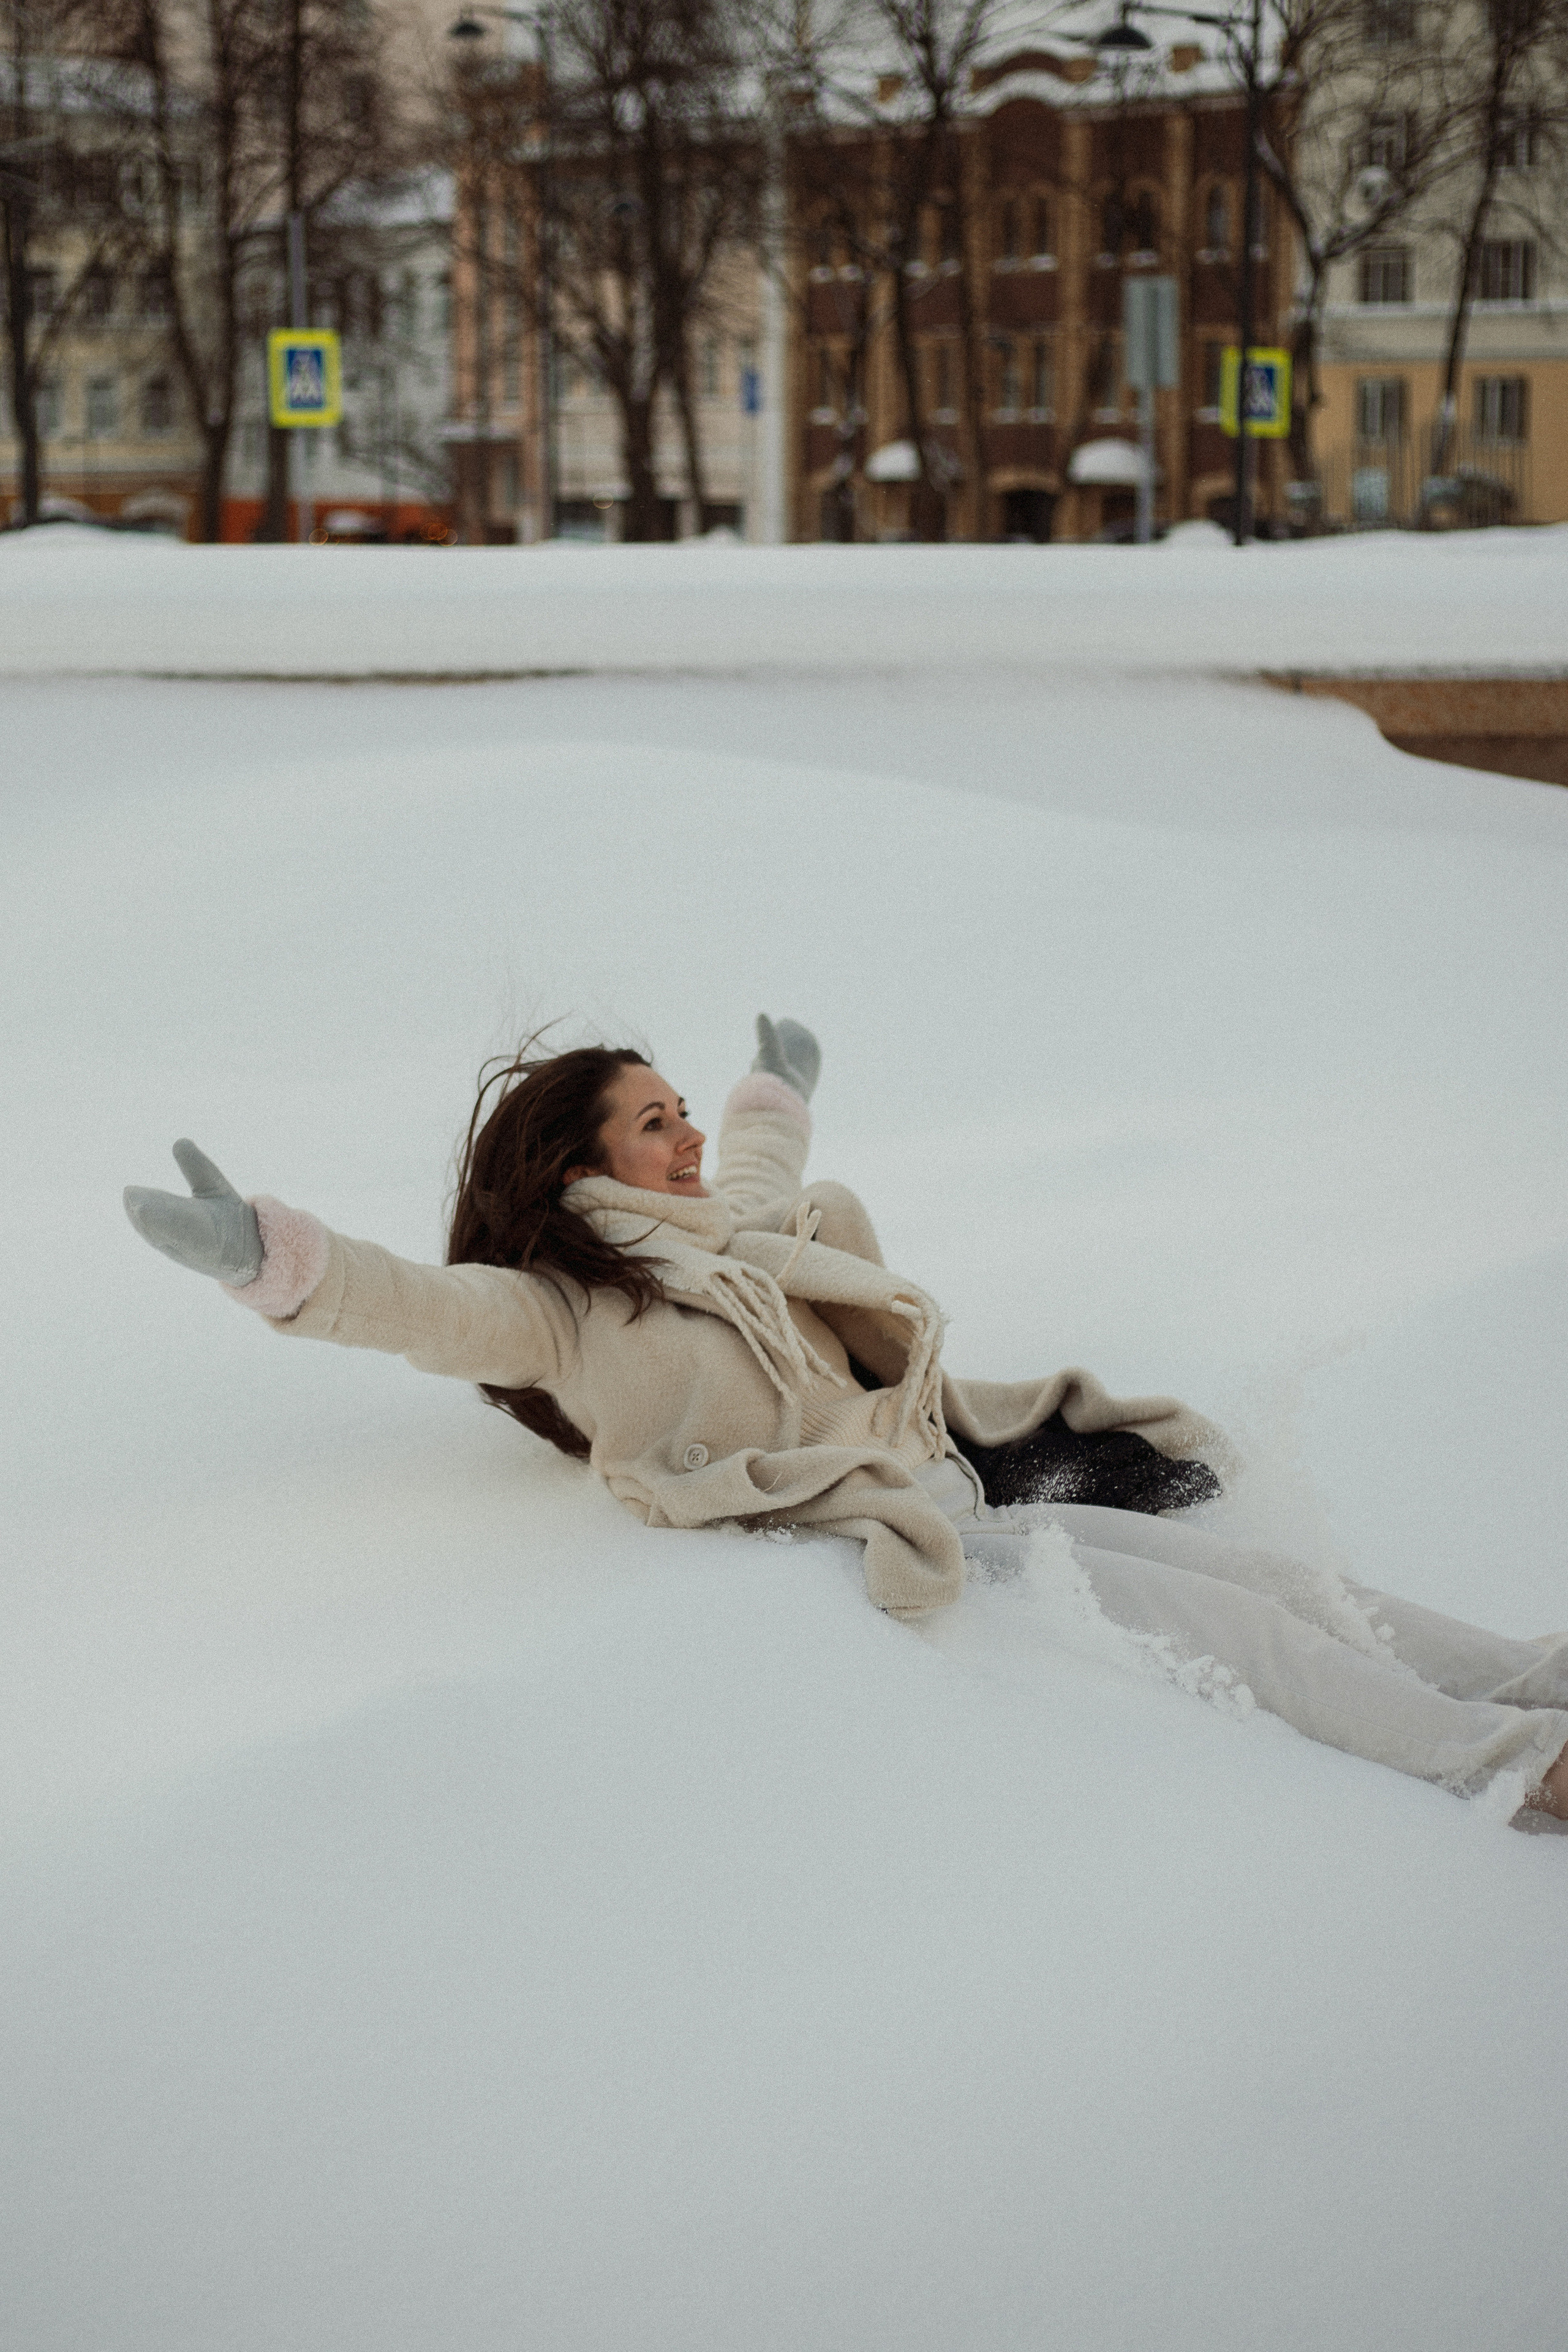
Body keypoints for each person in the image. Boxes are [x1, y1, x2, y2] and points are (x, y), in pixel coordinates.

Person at [125, 1016, 1568, 1824]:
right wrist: (268, 1260)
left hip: (954, 1498)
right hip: (903, 1553)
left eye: (681, 1109)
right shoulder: (560, 1305)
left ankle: (1527, 1678)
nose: (687, 1135)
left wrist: (774, 1091)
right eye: (653, 1121)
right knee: (1238, 1631)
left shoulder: (728, 1237)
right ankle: (1506, 1767)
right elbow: (418, 1307)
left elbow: (759, 1165)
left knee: (1259, 1581)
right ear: (576, 1166)